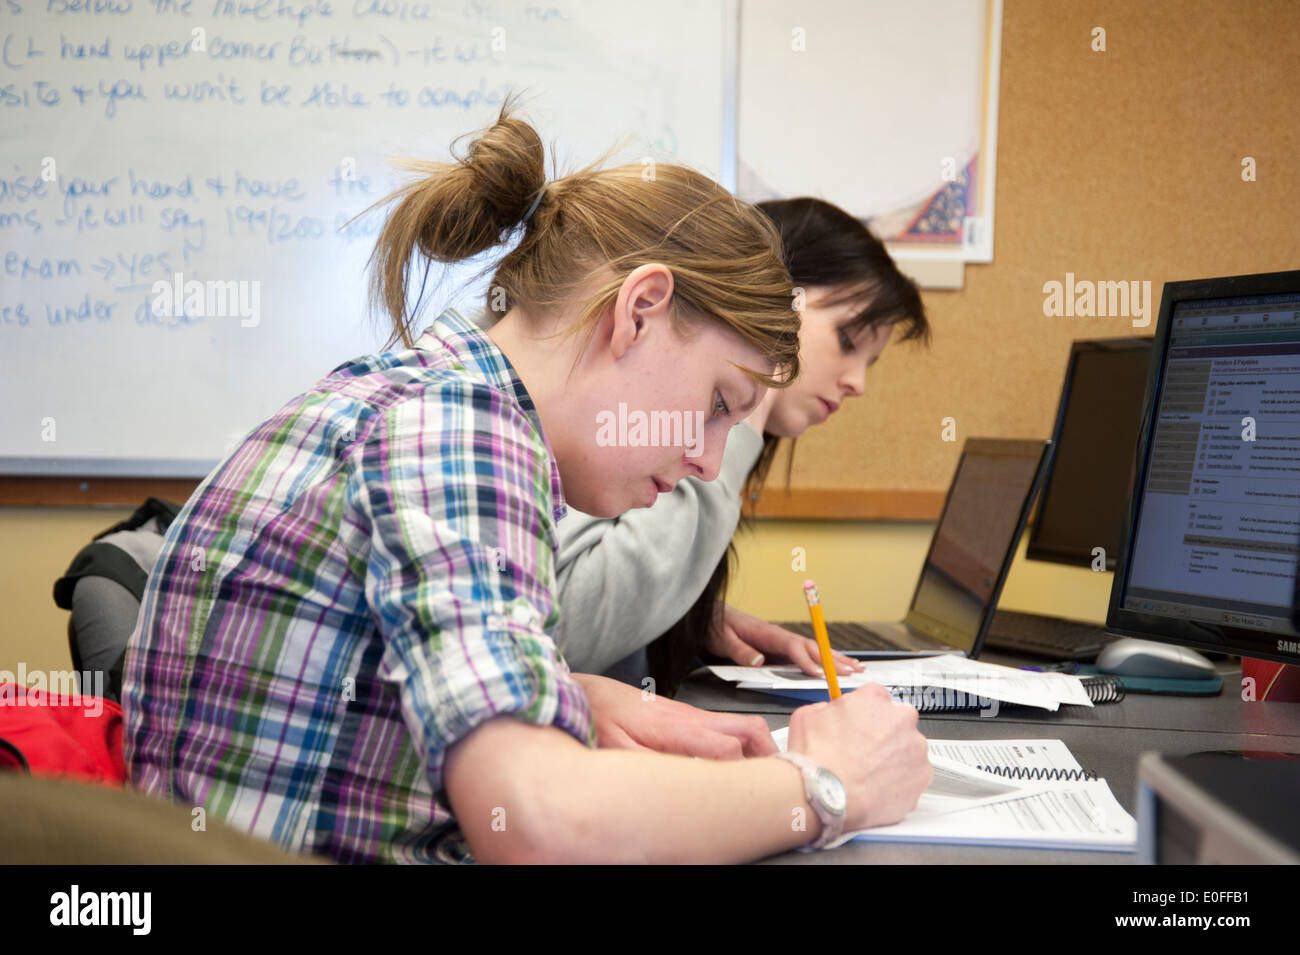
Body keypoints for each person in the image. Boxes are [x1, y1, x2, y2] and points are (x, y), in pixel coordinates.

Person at [120, 101, 932, 864]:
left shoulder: (427, 394)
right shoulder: (463, 431)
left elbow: (361, 671)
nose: (707, 463)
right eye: (719, 402)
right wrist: (828, 788)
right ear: (640, 309)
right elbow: (540, 823)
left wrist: (570, 692)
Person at [554, 197, 932, 695]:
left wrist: (690, 619)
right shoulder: (593, 413)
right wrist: (744, 409)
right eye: (846, 340)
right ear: (773, 298)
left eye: (871, 362)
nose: (857, 383)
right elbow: (565, 628)